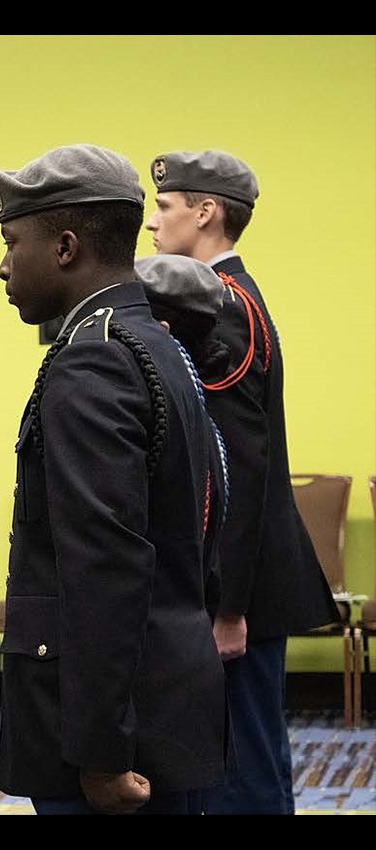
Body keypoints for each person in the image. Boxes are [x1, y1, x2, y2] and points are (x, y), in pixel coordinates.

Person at [0, 143, 227, 815]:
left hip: (112, 732)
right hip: (163, 694)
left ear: (64, 247)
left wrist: (101, 751)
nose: (3, 265)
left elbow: (103, 567)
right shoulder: (156, 345)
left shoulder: (95, 363)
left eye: (11, 241)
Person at [146, 150, 340, 814]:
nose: (151, 223)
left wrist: (228, 606)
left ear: (205, 213)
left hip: (243, 593)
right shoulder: (225, 302)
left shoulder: (222, 309)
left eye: (164, 207)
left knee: (244, 772)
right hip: (243, 584)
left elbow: (239, 461)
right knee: (243, 761)